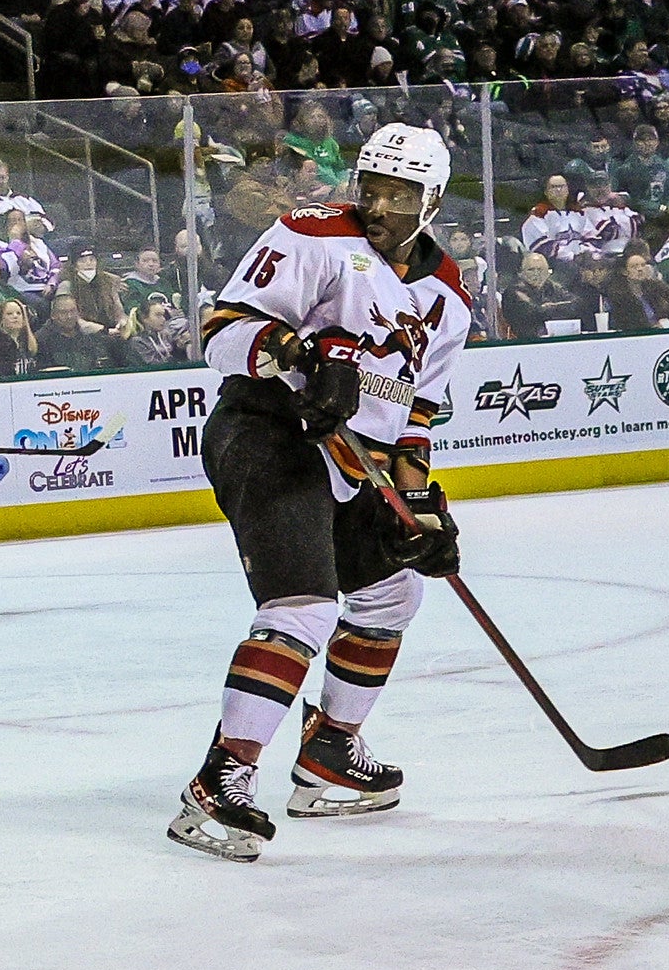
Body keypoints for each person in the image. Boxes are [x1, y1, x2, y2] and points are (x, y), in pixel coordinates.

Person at [168, 124, 472, 863]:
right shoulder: (312, 234)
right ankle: (220, 779)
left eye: (400, 195)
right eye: (370, 186)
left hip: (352, 459)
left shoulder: (449, 297)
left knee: (394, 592)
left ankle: (330, 749)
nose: (378, 205)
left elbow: (415, 414)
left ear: (430, 201)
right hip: (268, 430)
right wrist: (297, 351)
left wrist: (422, 506)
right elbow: (222, 330)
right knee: (301, 606)